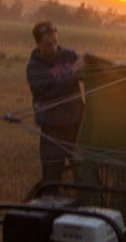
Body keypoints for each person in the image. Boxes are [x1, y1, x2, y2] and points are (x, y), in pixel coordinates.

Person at [25, 20, 85, 190]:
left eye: (55, 43)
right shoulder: (34, 67)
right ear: (38, 44)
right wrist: (71, 75)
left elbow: (86, 74)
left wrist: (90, 63)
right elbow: (49, 91)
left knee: (84, 173)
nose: (53, 48)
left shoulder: (70, 56)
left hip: (76, 126)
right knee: (51, 177)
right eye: (48, 45)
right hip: (52, 131)